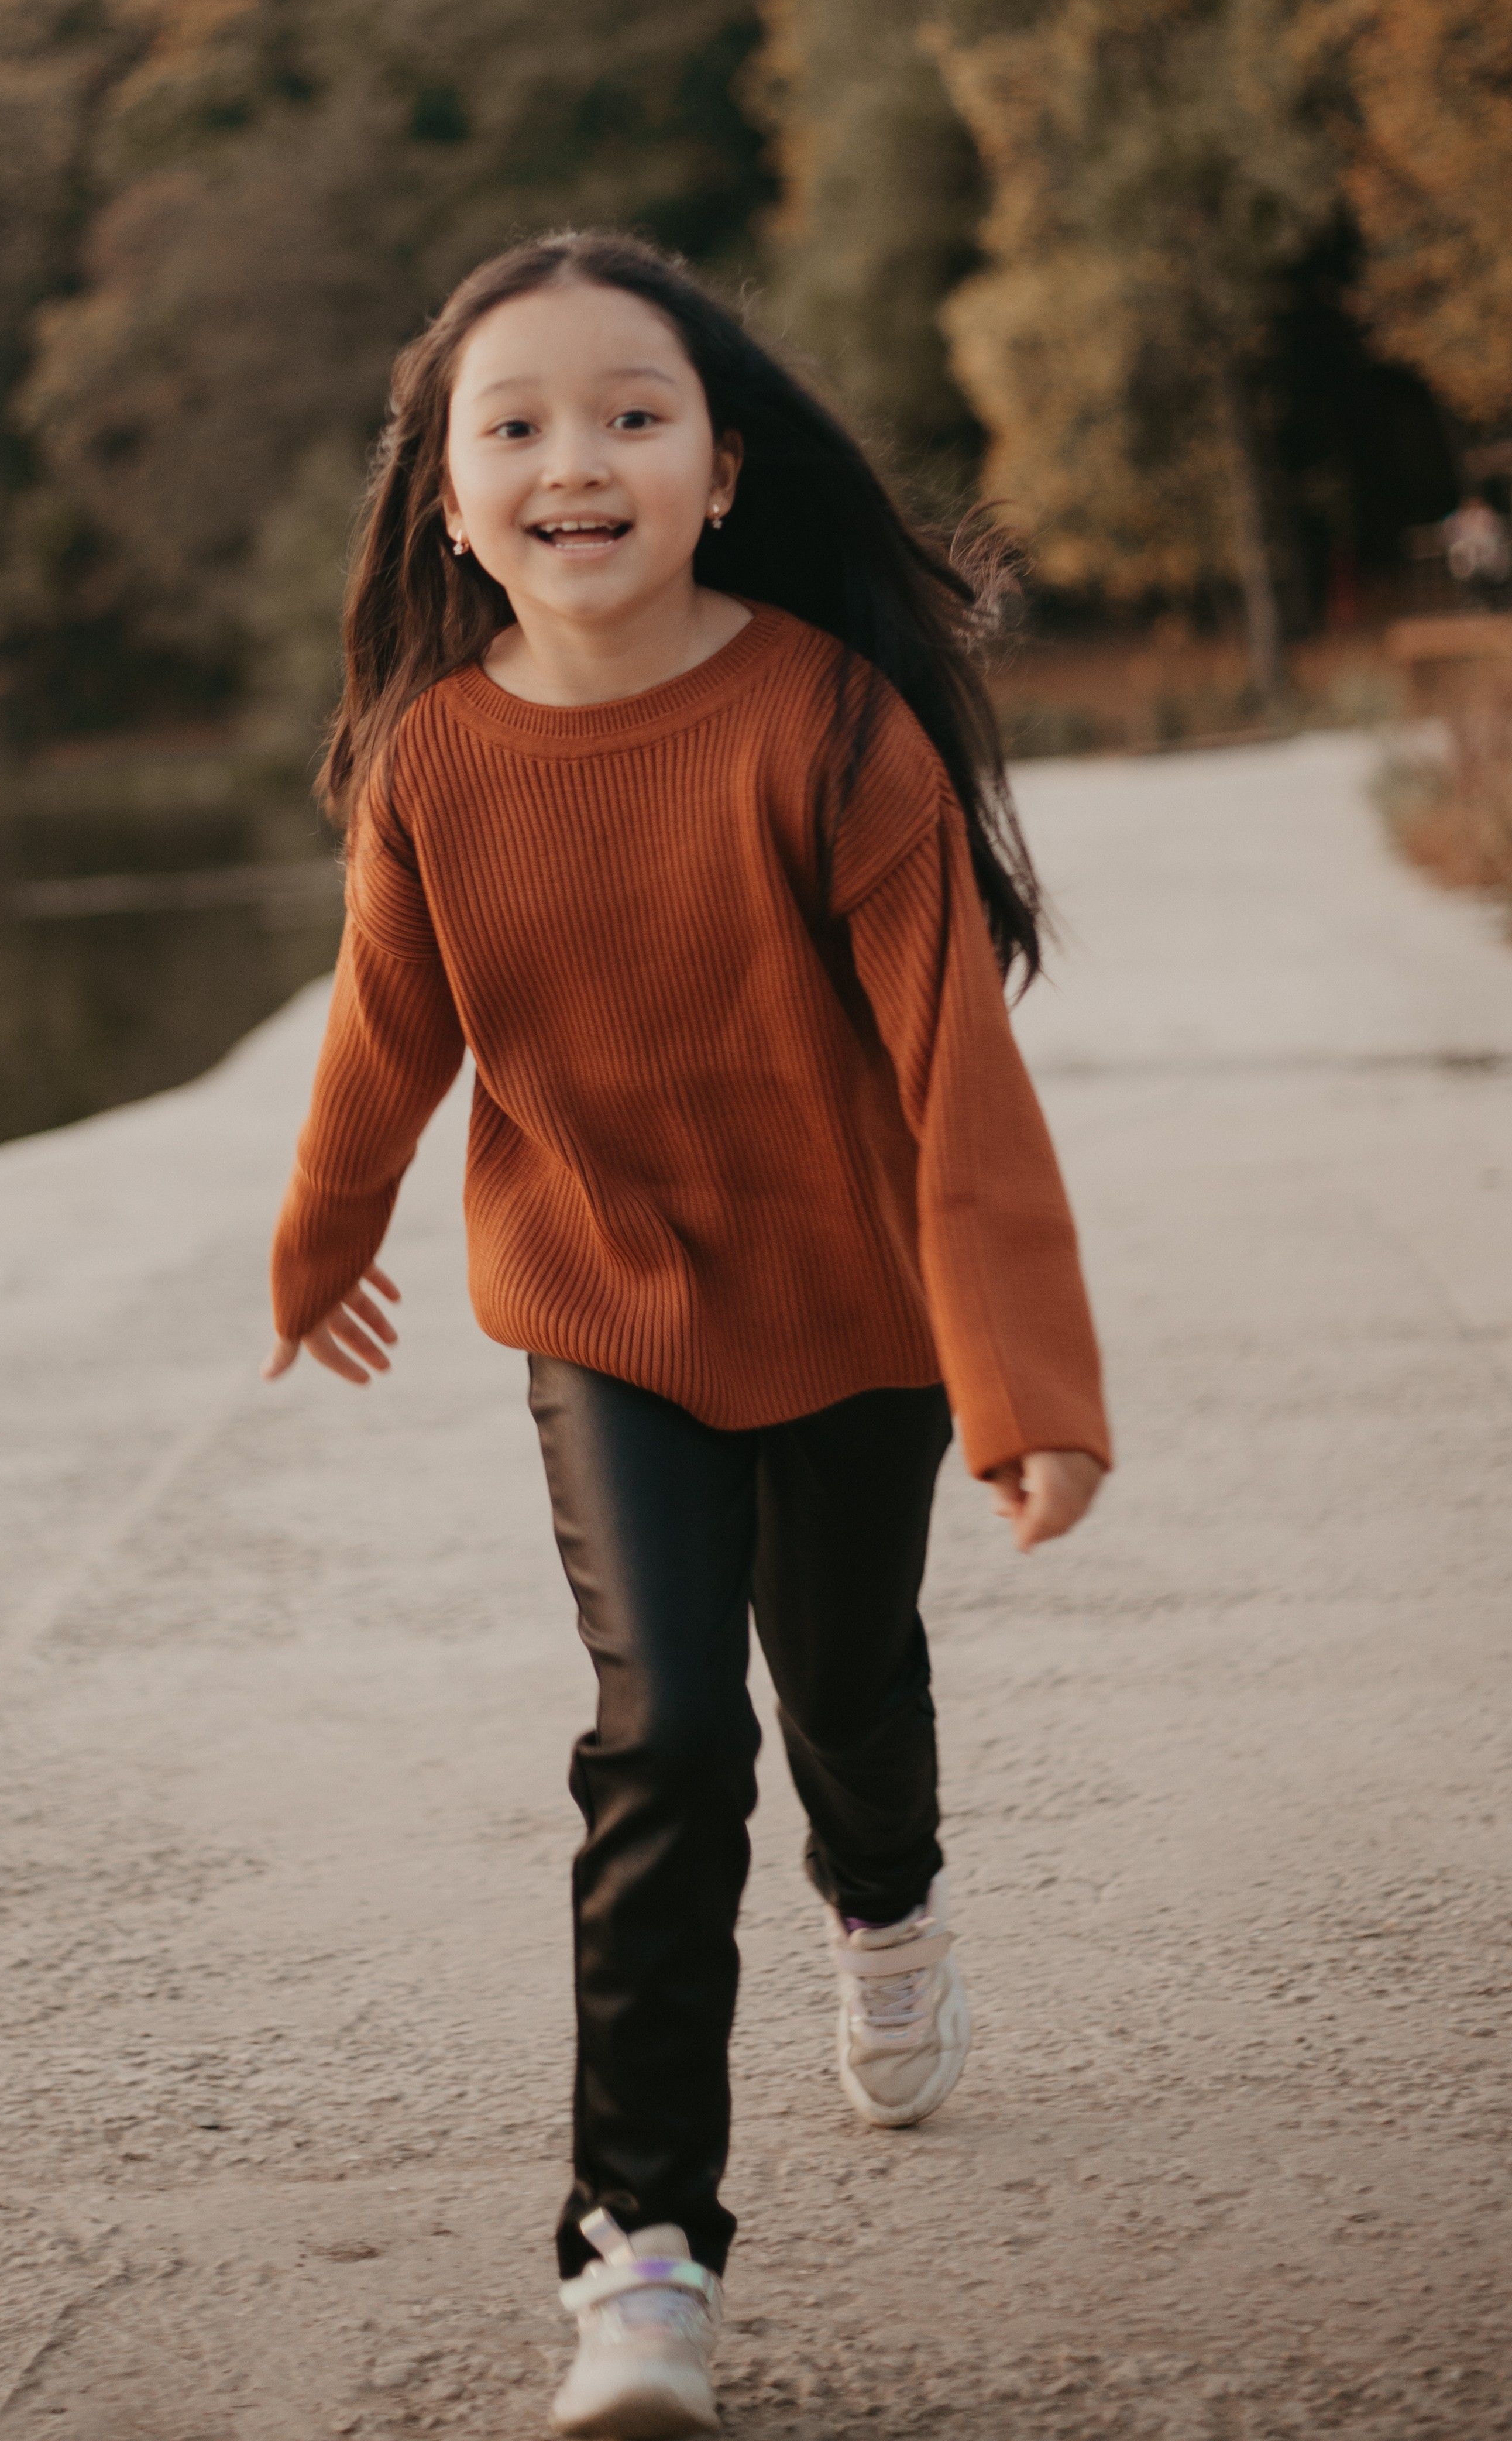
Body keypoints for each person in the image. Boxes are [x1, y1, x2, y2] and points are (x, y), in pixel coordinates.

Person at [266, 231, 1109, 2439]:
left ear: (723, 471)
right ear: (445, 503)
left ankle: (893, 1903)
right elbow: (385, 1038)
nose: (577, 461)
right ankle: (638, 2257)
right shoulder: (433, 767)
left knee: (843, 1682)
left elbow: (957, 1079)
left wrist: (1026, 1383)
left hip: (853, 1307)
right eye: (515, 427)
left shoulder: (832, 725)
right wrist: (318, 1234)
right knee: (666, 1736)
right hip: (600, 1304)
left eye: (632, 415)